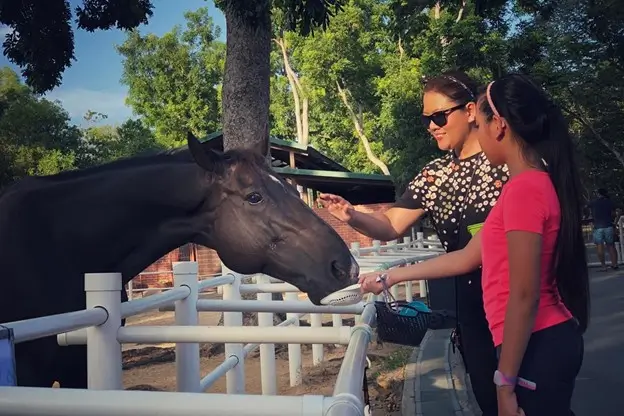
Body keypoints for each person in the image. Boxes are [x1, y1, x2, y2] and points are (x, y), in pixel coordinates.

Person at [360, 74, 589, 416]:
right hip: (534, 341)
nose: (479, 135)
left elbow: (524, 295)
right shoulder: (520, 188)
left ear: (498, 126)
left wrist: (505, 380)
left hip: (537, 342)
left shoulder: (525, 189)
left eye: (481, 125)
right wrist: (392, 276)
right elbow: (467, 257)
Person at [318, 70, 507, 416]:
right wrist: (351, 215)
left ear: (469, 111)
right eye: (426, 119)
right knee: (488, 398)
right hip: (471, 307)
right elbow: (391, 224)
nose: (432, 126)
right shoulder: (435, 176)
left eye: (439, 116)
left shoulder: (506, 164)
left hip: (515, 301)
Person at [589, 188, 618, 271]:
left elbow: (586, 207)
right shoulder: (609, 202)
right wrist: (615, 222)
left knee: (599, 246)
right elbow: (618, 211)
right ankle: (614, 264)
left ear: (598, 194)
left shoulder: (594, 202)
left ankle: (603, 266)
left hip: (598, 227)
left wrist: (589, 217)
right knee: (611, 246)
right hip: (608, 225)